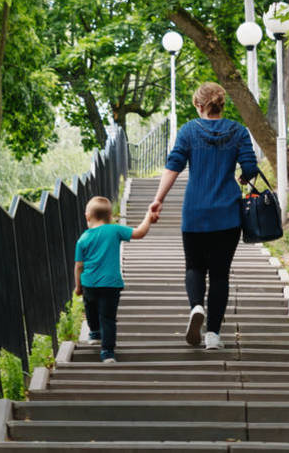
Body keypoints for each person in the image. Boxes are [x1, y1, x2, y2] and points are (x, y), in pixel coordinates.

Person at [147, 82, 257, 350]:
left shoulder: (188, 131)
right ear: (222, 105)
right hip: (228, 214)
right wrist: (244, 176)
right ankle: (213, 336)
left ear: (198, 105)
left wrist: (158, 199)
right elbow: (250, 166)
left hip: (195, 212)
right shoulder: (238, 131)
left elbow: (174, 165)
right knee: (220, 275)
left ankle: (196, 305)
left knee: (194, 267)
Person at [74, 196, 155, 363]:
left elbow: (79, 266)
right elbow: (139, 233)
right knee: (108, 318)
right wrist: (148, 216)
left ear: (87, 216)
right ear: (110, 216)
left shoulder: (82, 239)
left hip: (89, 283)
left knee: (90, 309)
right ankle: (107, 352)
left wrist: (78, 286)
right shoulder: (115, 230)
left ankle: (94, 333)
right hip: (111, 285)